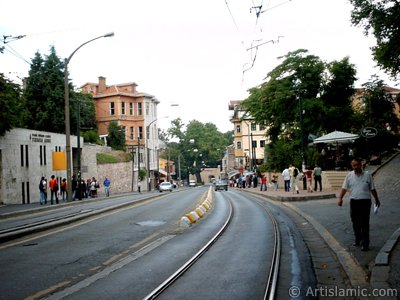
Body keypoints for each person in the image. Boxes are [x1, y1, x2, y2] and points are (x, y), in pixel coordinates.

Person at [338, 158, 381, 251]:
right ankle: (358, 239)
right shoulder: (349, 176)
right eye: (354, 165)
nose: (356, 167)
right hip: (354, 201)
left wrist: (376, 199)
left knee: (364, 223)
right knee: (355, 222)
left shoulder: (367, 175)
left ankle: (366, 243)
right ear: (352, 166)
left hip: (365, 201)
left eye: (357, 165)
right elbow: (344, 188)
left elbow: (372, 188)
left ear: (361, 165)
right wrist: (340, 198)